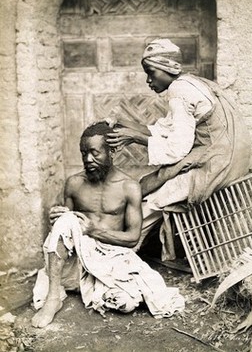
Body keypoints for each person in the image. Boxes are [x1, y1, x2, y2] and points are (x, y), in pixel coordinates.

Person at [106, 38, 251, 258]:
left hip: (218, 164)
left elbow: (177, 149)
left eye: (151, 73)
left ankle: (118, 252)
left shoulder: (179, 92)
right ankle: (122, 246)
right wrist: (122, 123)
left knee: (153, 198)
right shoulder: (188, 83)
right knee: (150, 183)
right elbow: (164, 129)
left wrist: (135, 136)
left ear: (167, 68)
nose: (148, 80)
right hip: (224, 156)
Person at [31, 121, 185, 328]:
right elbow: (63, 232)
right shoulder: (74, 183)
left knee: (126, 302)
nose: (88, 159)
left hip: (113, 256)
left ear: (111, 151)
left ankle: (91, 288)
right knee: (66, 220)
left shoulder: (129, 187)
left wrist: (94, 230)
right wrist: (57, 220)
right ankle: (53, 299)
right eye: (83, 153)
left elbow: (132, 238)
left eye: (94, 153)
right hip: (78, 257)